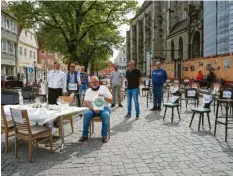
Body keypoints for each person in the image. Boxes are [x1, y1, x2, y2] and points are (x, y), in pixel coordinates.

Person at [79, 76, 112, 143]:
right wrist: (93, 108)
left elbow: (111, 101)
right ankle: (85, 135)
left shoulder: (104, 88)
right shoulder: (88, 91)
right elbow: (86, 102)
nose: (94, 83)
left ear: (98, 82)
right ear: (90, 83)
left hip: (104, 108)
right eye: (93, 82)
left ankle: (104, 135)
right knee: (86, 114)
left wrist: (104, 97)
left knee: (105, 115)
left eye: (96, 81)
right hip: (92, 108)